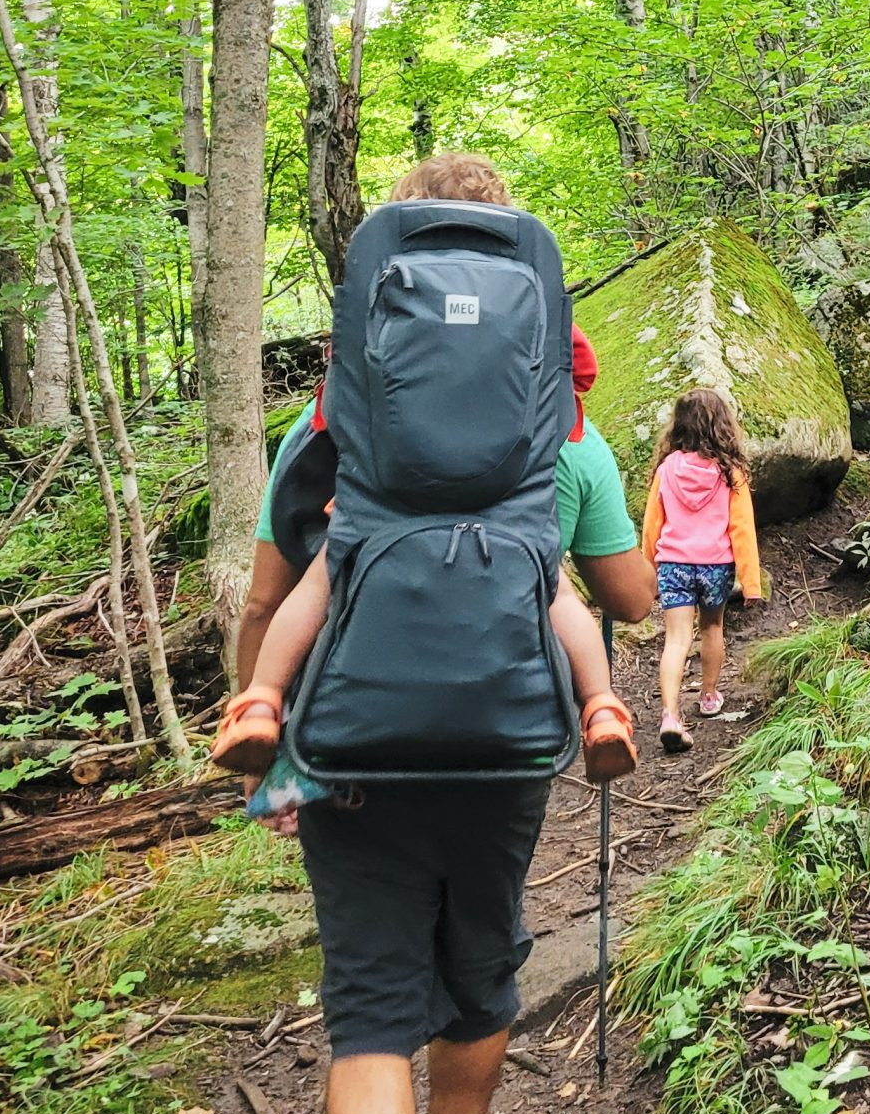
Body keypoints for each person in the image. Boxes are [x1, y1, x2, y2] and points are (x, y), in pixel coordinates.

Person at [235, 152, 658, 1114]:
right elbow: (624, 602)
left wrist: (261, 698)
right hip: (500, 736)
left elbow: (273, 587)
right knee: (481, 966)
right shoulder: (560, 436)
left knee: (367, 1005)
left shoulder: (329, 430)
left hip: (352, 735)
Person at [209, 320, 637, 786]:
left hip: (382, 506)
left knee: (318, 584)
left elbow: (263, 605)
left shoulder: (389, 336)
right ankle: (601, 709)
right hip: (505, 511)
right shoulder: (521, 335)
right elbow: (574, 374)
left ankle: (259, 705)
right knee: (559, 596)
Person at [640, 386, 764, 754]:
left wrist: (648, 572)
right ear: (722, 425)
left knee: (676, 639)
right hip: (715, 565)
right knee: (712, 627)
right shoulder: (731, 472)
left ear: (678, 427)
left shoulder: (667, 469)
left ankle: (670, 715)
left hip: (674, 563)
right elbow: (742, 530)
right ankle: (709, 696)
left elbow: (652, 526)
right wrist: (751, 582)